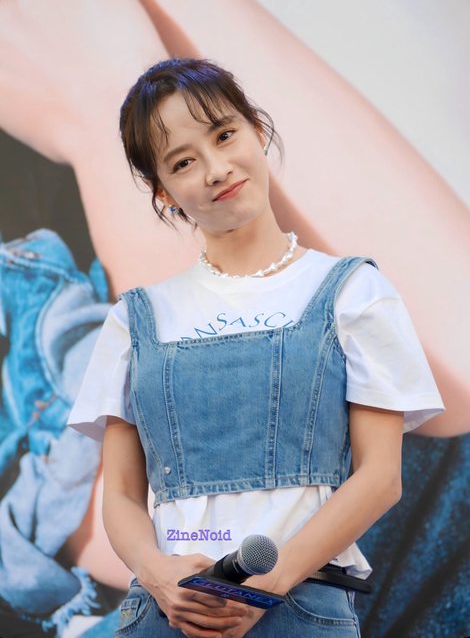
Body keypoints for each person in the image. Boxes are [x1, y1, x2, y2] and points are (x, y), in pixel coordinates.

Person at [67, 58, 444, 638]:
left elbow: (380, 477)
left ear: (258, 131)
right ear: (163, 191)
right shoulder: (135, 319)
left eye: (224, 135)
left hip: (301, 605)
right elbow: (119, 494)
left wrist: (269, 584)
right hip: (167, 611)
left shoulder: (352, 291)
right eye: (183, 162)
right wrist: (157, 574)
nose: (216, 169)